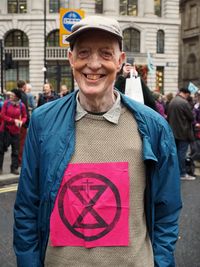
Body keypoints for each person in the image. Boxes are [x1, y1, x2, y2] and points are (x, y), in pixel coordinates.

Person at [14, 16, 182, 267]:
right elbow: (27, 208)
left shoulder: (154, 127)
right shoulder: (42, 121)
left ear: (120, 61)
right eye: (84, 53)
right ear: (71, 59)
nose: (93, 64)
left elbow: (167, 211)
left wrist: (160, 262)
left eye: (105, 54)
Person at [167, 87, 195, 180]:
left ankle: (174, 172)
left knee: (175, 153)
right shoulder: (184, 102)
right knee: (181, 153)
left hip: (173, 131)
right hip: (183, 131)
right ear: (186, 94)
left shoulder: (172, 101)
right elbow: (191, 117)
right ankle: (182, 173)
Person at [0, 89, 27, 175]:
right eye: (10, 95)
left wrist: (22, 121)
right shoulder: (6, 103)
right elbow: (2, 115)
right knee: (1, 150)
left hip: (16, 131)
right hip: (5, 130)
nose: (10, 97)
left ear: (17, 97)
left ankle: (14, 168)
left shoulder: (21, 105)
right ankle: (0, 169)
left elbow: (25, 116)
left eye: (12, 95)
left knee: (15, 150)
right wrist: (13, 120)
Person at [17, 80, 30, 166]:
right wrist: (27, 121)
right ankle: (20, 161)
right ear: (24, 86)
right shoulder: (23, 95)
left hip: (17, 121)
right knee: (21, 142)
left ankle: (18, 160)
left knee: (18, 142)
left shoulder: (16, 94)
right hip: (22, 122)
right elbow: (25, 109)